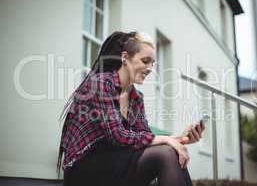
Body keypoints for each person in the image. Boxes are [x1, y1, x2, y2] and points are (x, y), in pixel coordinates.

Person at [57, 31, 205, 186]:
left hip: (115, 161)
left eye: (152, 63)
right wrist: (167, 140)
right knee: (166, 153)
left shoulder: (136, 98)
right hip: (83, 167)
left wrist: (181, 139)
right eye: (145, 61)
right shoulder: (99, 84)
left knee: (170, 152)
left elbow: (144, 136)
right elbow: (117, 135)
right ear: (125, 57)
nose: (149, 68)